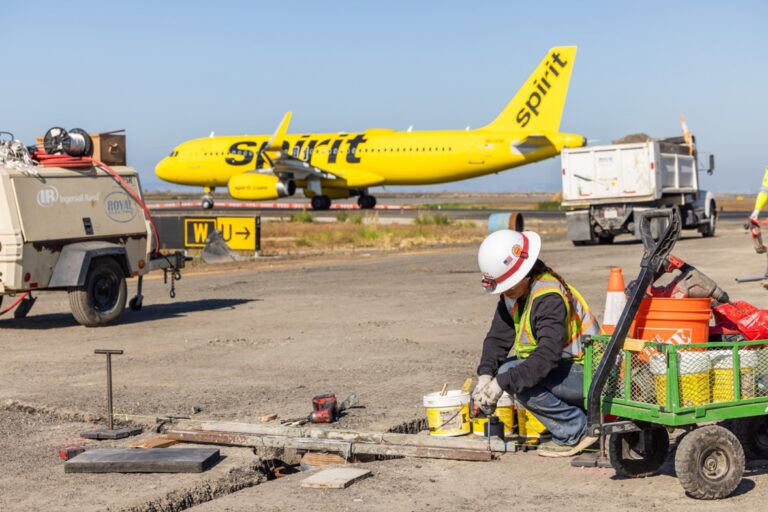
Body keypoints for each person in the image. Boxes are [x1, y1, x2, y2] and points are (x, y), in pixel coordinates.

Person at [471, 229, 600, 457]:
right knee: (506, 370)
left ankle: (576, 430)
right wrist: (485, 377)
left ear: (524, 274)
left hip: (593, 375)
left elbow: (547, 357)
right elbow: (497, 339)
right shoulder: (515, 295)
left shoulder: (548, 296)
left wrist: (501, 383)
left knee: (511, 375)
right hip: (568, 371)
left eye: (508, 286)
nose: (506, 293)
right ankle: (576, 420)